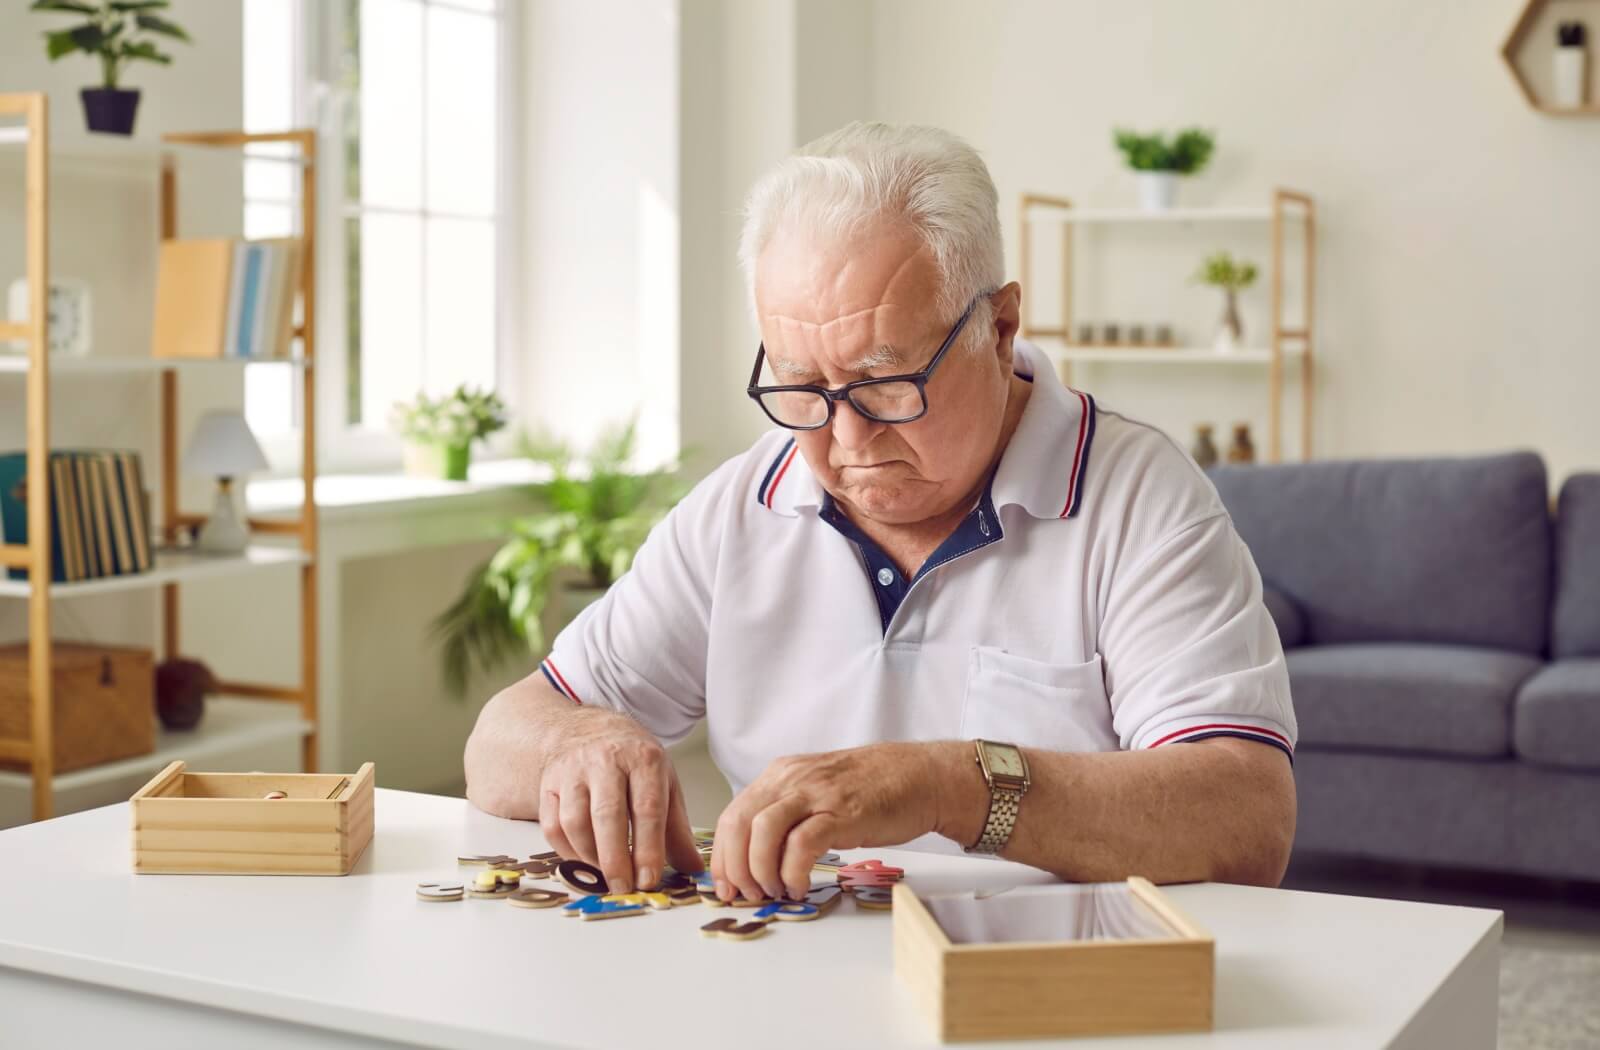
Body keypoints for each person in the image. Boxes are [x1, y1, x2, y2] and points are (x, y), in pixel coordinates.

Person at [465, 122, 1296, 904]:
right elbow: (502, 738)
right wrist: (576, 744)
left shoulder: (1139, 497)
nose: (844, 437)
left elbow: (1248, 815)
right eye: (801, 387)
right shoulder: (743, 502)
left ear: (999, 327)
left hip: (1048, 992)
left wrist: (952, 785)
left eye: (886, 382)